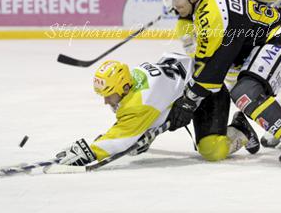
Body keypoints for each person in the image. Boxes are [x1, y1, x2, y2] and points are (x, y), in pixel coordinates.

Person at [162, 0, 281, 169]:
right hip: (252, 45)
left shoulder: (213, 16)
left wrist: (189, 101)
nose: (174, 5)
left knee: (245, 92)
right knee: (246, 86)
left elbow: (211, 71)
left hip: (279, 39)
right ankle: (262, 127)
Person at [44, 52, 259, 172]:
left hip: (207, 93)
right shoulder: (134, 76)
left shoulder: (140, 102)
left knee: (211, 150)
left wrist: (90, 151)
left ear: (124, 87)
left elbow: (121, 139)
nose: (106, 101)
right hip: (189, 89)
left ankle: (240, 129)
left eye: (109, 94)